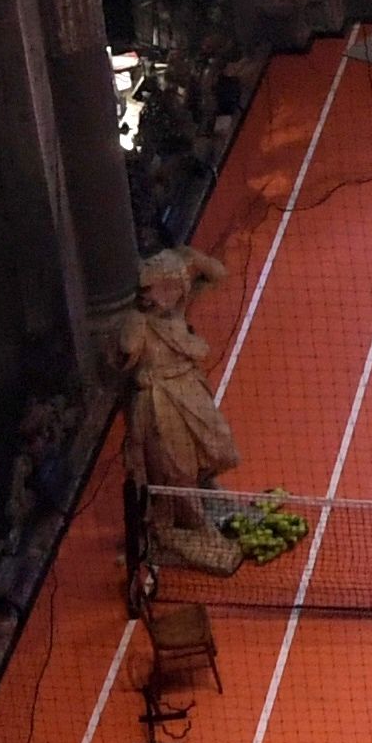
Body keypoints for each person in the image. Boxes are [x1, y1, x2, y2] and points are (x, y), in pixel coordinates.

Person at [109, 245, 243, 581]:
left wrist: (191, 257)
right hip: (160, 402)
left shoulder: (176, 310)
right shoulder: (140, 322)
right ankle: (193, 525)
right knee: (175, 468)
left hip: (189, 388)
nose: (151, 295)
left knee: (218, 447)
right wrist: (133, 323)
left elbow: (217, 274)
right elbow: (124, 352)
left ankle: (204, 493)